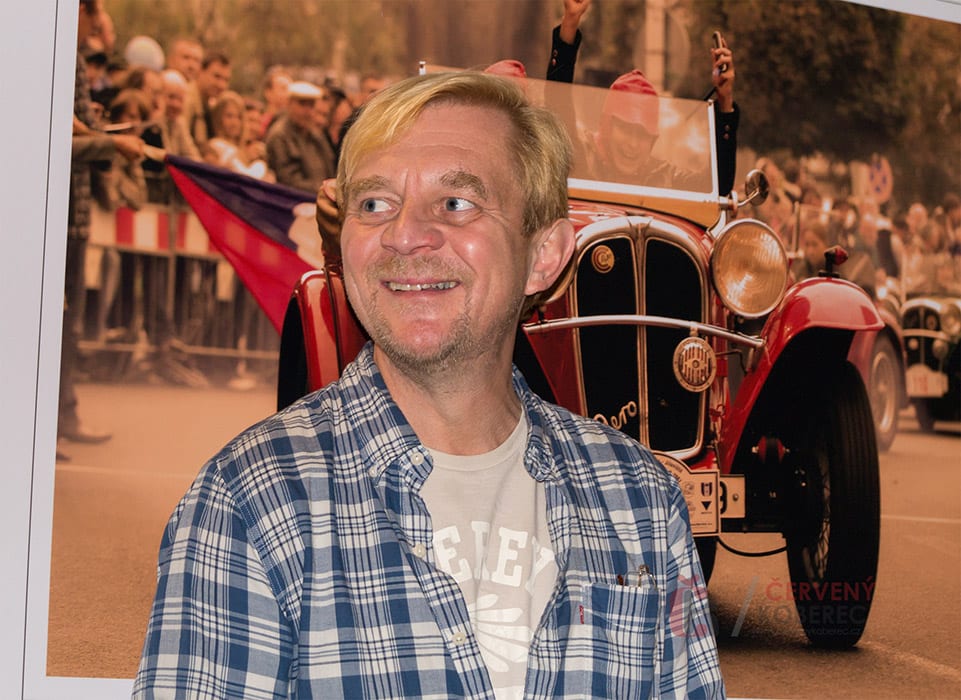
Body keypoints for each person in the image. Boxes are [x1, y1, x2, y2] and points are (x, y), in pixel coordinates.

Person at [134, 70, 723, 698]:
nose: (404, 235)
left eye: (456, 203)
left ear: (544, 255)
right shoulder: (249, 506)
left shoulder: (641, 503)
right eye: (374, 204)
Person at [60, 0, 144, 458]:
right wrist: (112, 144)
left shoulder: (66, 58)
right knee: (57, 323)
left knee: (64, 324)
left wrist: (101, 136)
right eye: (94, 16)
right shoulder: (61, 56)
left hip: (74, 212)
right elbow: (59, 137)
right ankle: (50, 419)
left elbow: (76, 128)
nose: (95, 28)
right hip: (64, 215)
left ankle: (62, 414)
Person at [544, 0, 740, 195]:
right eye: (625, 129)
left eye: (643, 135)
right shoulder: (583, 157)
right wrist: (570, 22)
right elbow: (557, 110)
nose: (633, 144)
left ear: (653, 141)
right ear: (607, 125)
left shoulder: (662, 177)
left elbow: (716, 187)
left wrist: (725, 100)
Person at [265, 80, 336, 191]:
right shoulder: (279, 136)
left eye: (311, 105)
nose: (307, 111)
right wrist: (324, 190)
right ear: (289, 104)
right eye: (302, 104)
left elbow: (330, 170)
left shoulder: (316, 136)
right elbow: (289, 181)